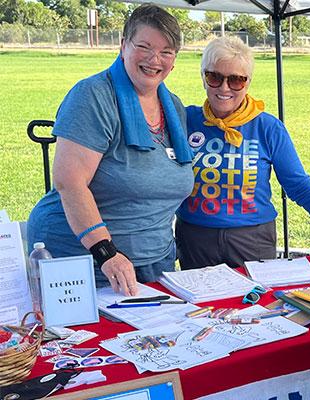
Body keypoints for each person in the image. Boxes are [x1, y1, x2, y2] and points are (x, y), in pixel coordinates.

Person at [26, 4, 194, 296]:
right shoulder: (93, 96)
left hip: (154, 262)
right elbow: (70, 183)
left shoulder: (174, 107)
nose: (155, 59)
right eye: (144, 46)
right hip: (88, 261)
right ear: (123, 46)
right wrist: (105, 252)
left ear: (175, 60)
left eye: (166, 52)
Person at [176, 36, 310, 270]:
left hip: (252, 238)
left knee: (258, 306)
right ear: (203, 78)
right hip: (196, 238)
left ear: (248, 83)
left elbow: (297, 183)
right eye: (215, 77)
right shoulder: (184, 119)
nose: (224, 88)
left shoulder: (267, 127)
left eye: (236, 80)